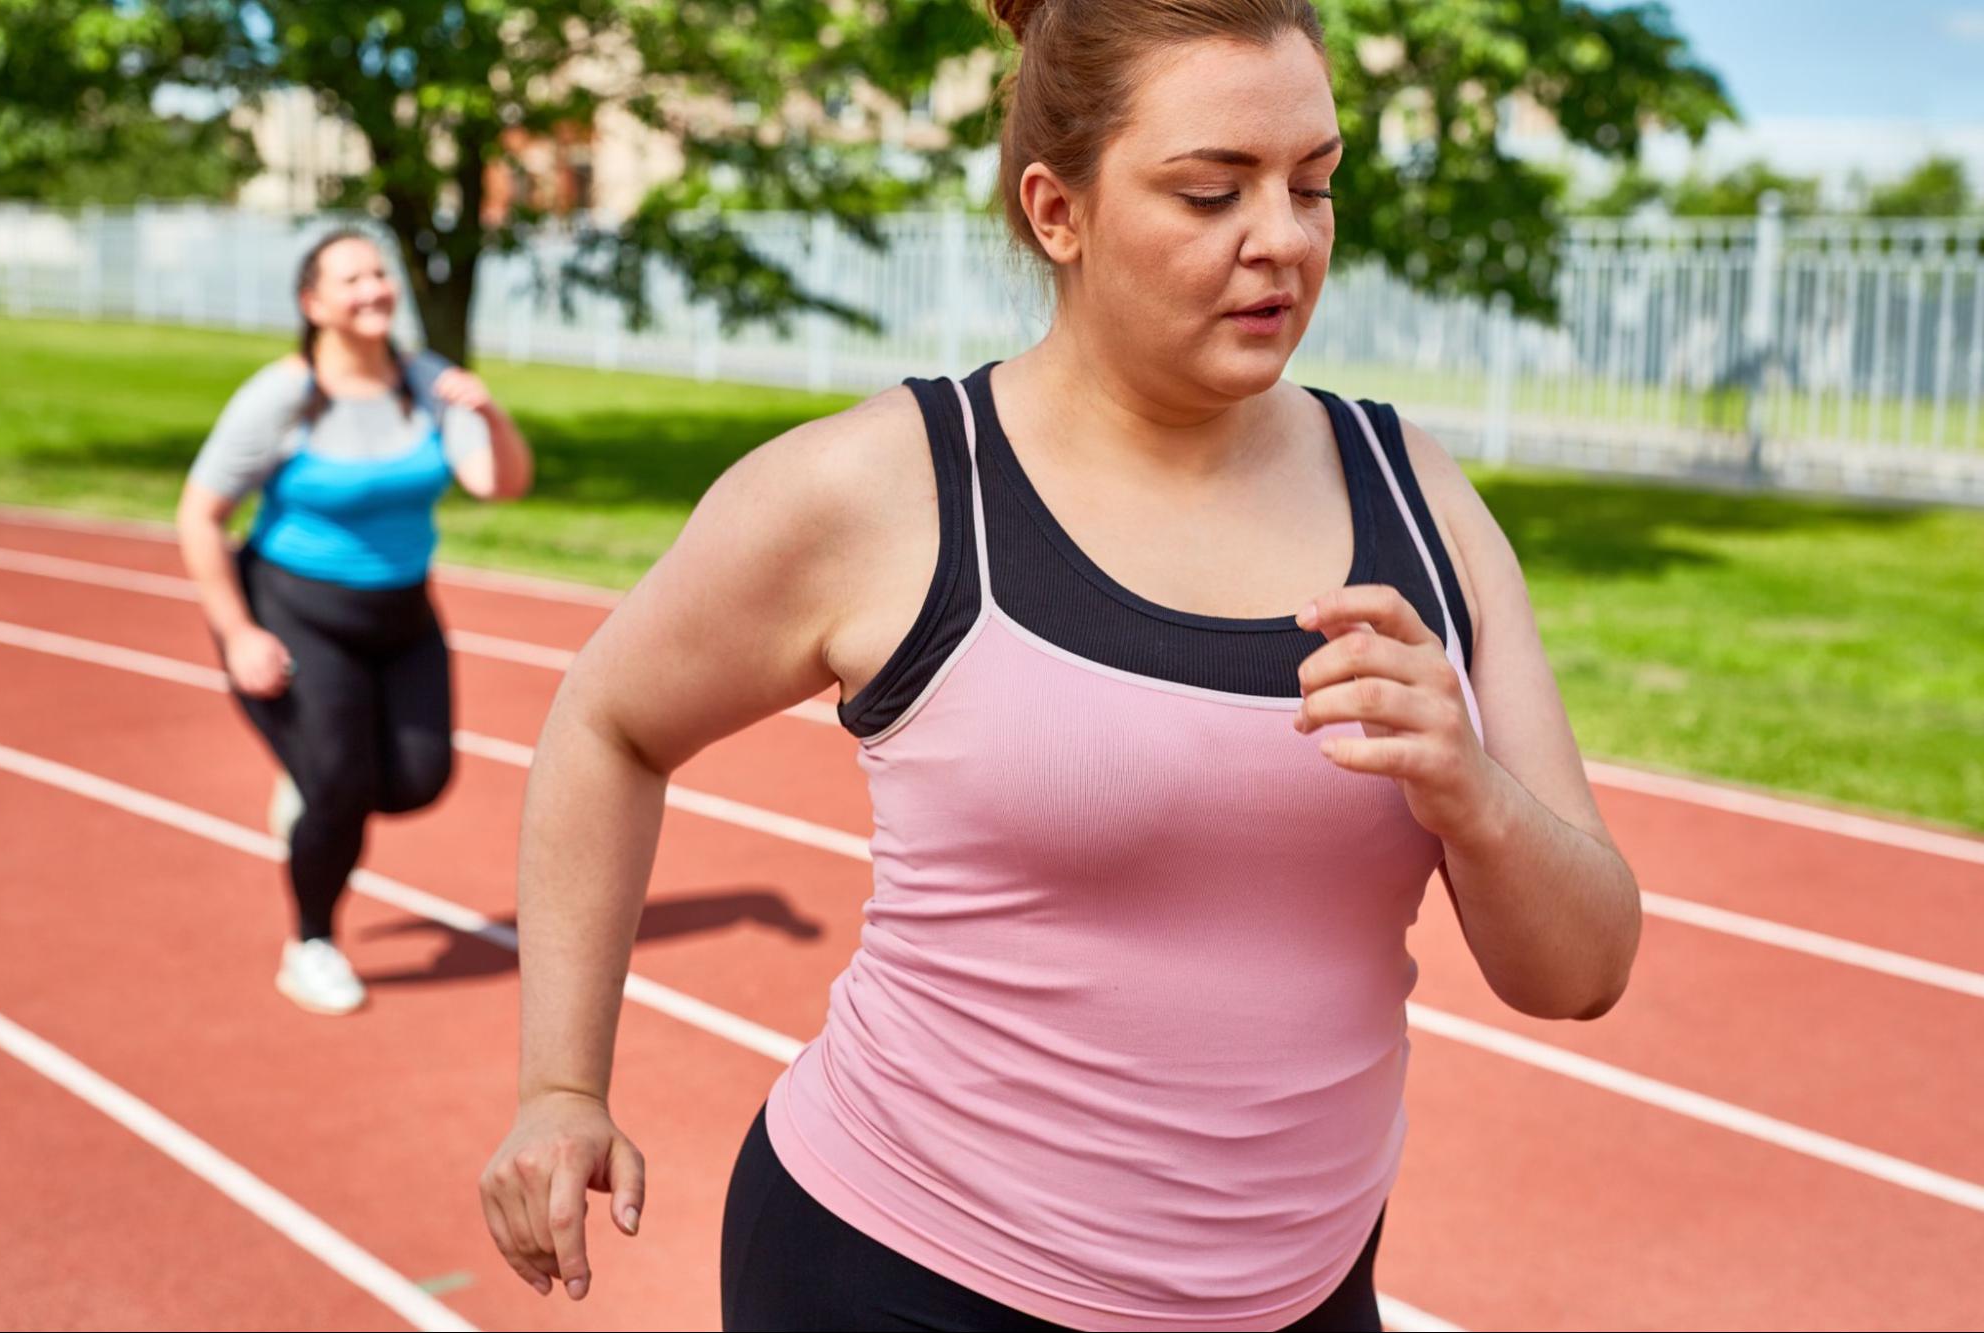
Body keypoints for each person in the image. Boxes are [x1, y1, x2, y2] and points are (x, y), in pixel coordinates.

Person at [479, 0, 1642, 1328]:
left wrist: (1472, 797)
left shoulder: (1411, 492)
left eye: (1313, 184)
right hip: (903, 1274)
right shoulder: (888, 490)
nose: (1283, 240)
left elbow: (1581, 969)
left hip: (1298, 1297)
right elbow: (610, 720)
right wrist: (561, 1087)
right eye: (1210, 193)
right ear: (1056, 211)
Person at [176, 228, 534, 1016]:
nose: (374, 288)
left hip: (402, 613)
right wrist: (239, 633)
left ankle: (310, 780)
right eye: (351, 278)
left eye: (380, 271)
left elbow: (497, 484)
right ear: (313, 304)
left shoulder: (426, 380)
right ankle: (311, 942)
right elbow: (200, 516)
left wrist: (490, 413)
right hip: (295, 609)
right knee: (339, 786)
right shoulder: (281, 397)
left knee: (415, 781)